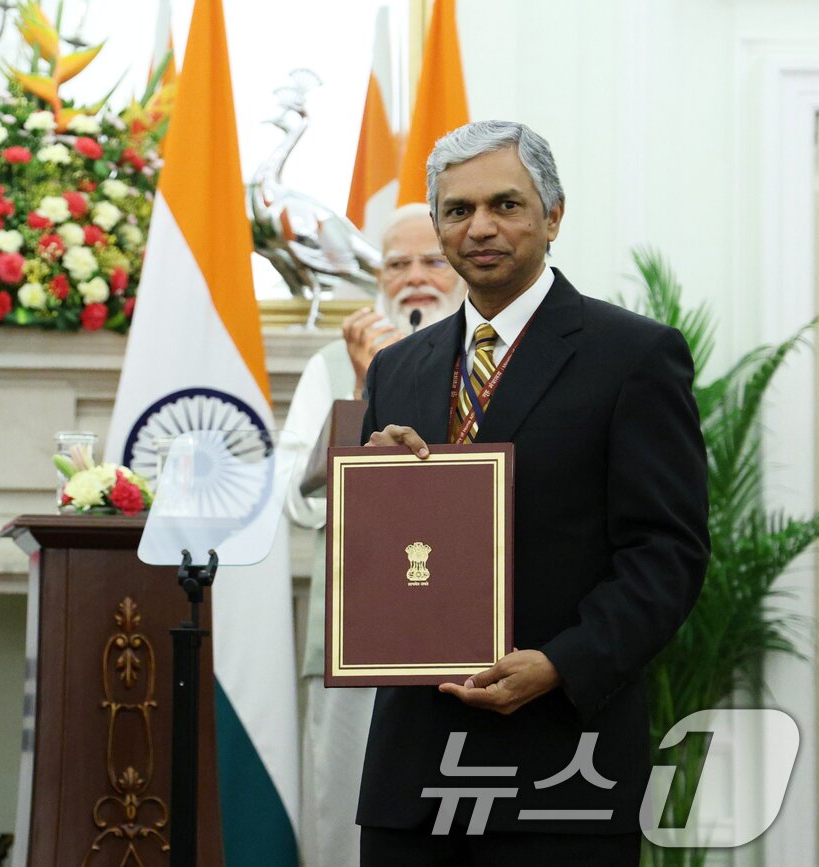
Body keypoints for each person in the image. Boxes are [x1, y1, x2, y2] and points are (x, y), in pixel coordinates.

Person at [356, 120, 708, 864]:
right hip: (413, 774)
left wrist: (562, 663)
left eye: (506, 205)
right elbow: (386, 557)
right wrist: (373, 478)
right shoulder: (398, 370)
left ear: (553, 216)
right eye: (458, 210)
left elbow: (667, 554)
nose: (480, 227)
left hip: (561, 766)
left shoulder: (634, 356)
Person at [283, 205, 464, 866]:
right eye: (397, 263)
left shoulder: (497, 358)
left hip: (473, 635)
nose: (416, 276)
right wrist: (365, 387)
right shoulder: (331, 364)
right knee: (349, 815)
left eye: (432, 260)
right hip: (358, 633)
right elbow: (299, 500)